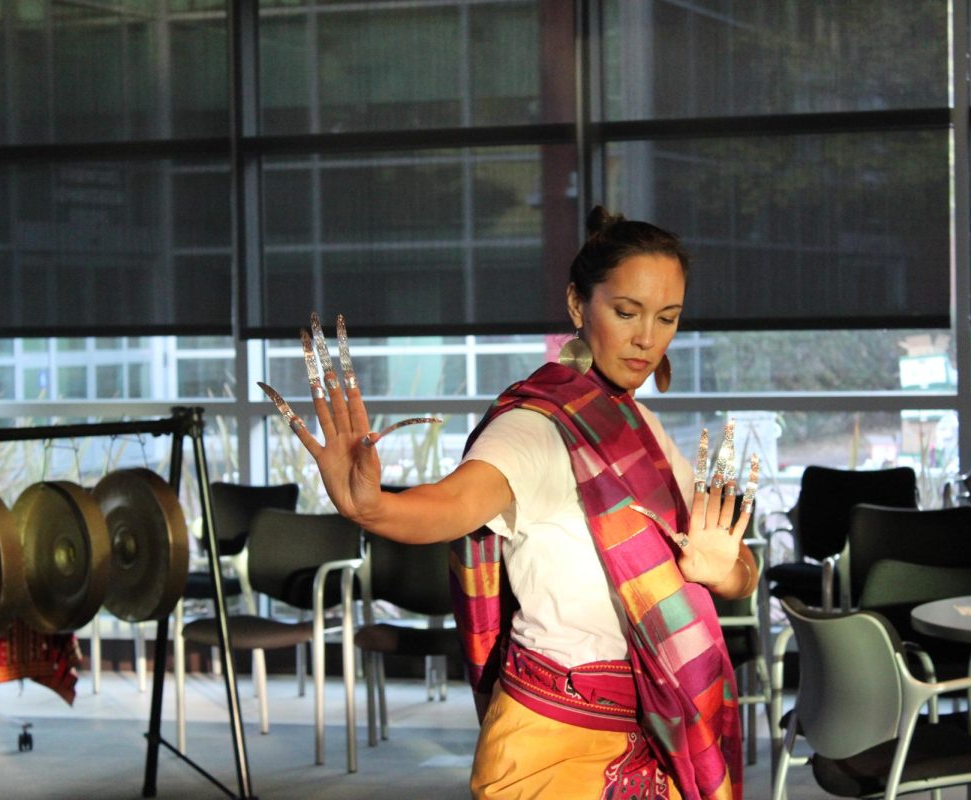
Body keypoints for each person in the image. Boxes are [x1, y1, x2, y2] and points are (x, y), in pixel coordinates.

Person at [259, 207, 759, 800]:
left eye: (667, 318)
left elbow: (740, 573)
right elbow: (454, 502)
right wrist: (374, 509)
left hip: (656, 730)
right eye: (626, 312)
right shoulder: (536, 428)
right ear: (578, 305)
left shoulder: (642, 429)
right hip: (552, 740)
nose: (647, 338)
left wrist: (721, 569)